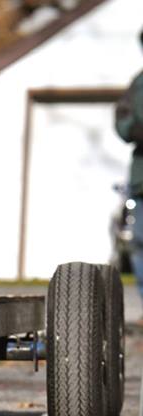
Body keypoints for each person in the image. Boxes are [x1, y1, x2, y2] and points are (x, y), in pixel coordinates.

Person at [115, 29, 143, 312]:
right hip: (142, 179)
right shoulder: (138, 84)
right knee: (139, 244)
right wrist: (136, 129)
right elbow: (122, 121)